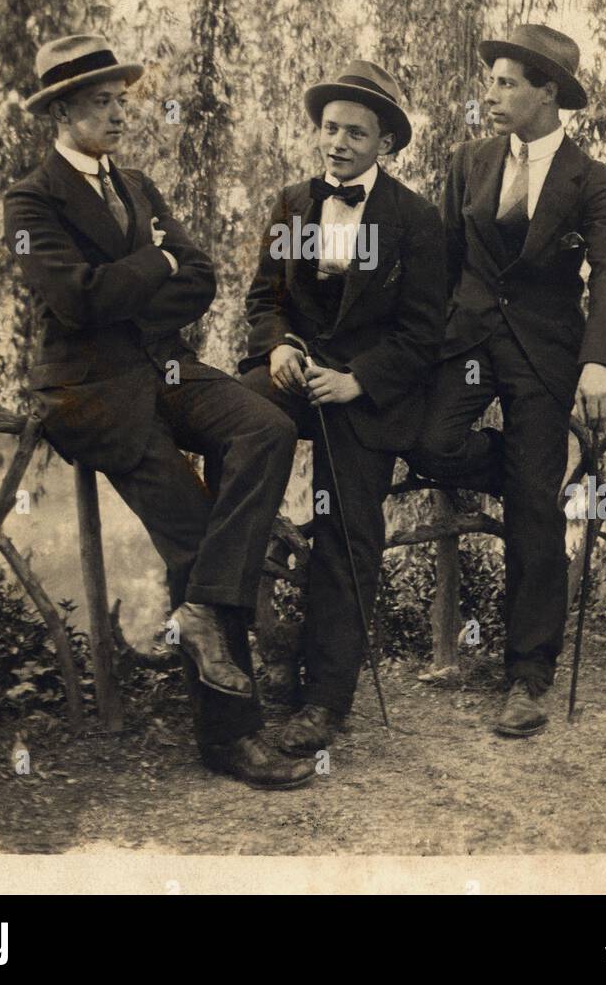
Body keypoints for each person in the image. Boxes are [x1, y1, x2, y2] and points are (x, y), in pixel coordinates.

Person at [4, 33, 313, 789]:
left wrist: (138, 280)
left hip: (165, 364)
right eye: (103, 103)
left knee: (265, 425)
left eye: (121, 101)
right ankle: (231, 740)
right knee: (197, 535)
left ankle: (205, 608)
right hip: (91, 391)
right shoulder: (30, 199)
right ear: (64, 109)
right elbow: (72, 298)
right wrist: (155, 266)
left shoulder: (137, 187)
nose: (119, 114)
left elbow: (200, 278)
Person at [406, 24, 606, 738]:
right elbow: (439, 261)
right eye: (492, 80)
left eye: (507, 83)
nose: (491, 93)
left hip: (544, 353)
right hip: (467, 342)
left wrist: (599, 360)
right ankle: (528, 477)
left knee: (534, 513)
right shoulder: (468, 162)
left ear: (548, 93)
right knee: (431, 443)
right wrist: (416, 344)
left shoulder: (590, 181)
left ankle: (526, 677)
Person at [239, 60, 446, 754]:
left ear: (384, 142)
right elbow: (262, 301)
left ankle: (324, 702)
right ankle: (236, 664)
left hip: (363, 396)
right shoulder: (290, 204)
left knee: (348, 533)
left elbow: (424, 335)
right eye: (329, 129)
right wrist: (275, 350)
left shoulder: (414, 221)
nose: (337, 143)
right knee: (226, 426)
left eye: (355, 133)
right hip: (293, 377)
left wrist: (357, 380)